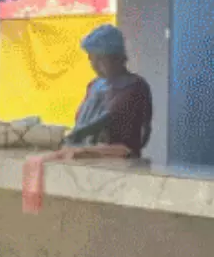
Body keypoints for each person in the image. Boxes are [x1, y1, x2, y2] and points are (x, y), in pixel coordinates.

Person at [55, 24, 153, 160]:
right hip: (85, 158)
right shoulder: (94, 85)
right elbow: (82, 119)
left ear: (118, 58)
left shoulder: (134, 86)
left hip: (120, 161)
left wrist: (76, 136)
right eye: (92, 58)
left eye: (101, 59)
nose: (95, 64)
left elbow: (108, 119)